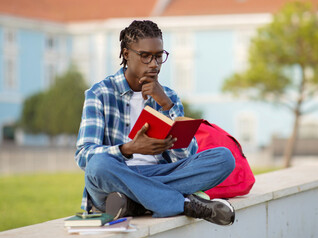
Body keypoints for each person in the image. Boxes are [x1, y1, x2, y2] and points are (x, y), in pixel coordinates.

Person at [75, 20, 236, 226]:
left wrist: (167, 106)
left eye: (159, 56)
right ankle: (183, 204)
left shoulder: (168, 96)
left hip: (157, 174)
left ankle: (137, 203)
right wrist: (128, 149)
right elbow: (83, 156)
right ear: (126, 54)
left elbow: (187, 157)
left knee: (224, 158)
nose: (154, 64)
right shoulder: (99, 94)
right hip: (116, 175)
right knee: (98, 165)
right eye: (146, 56)